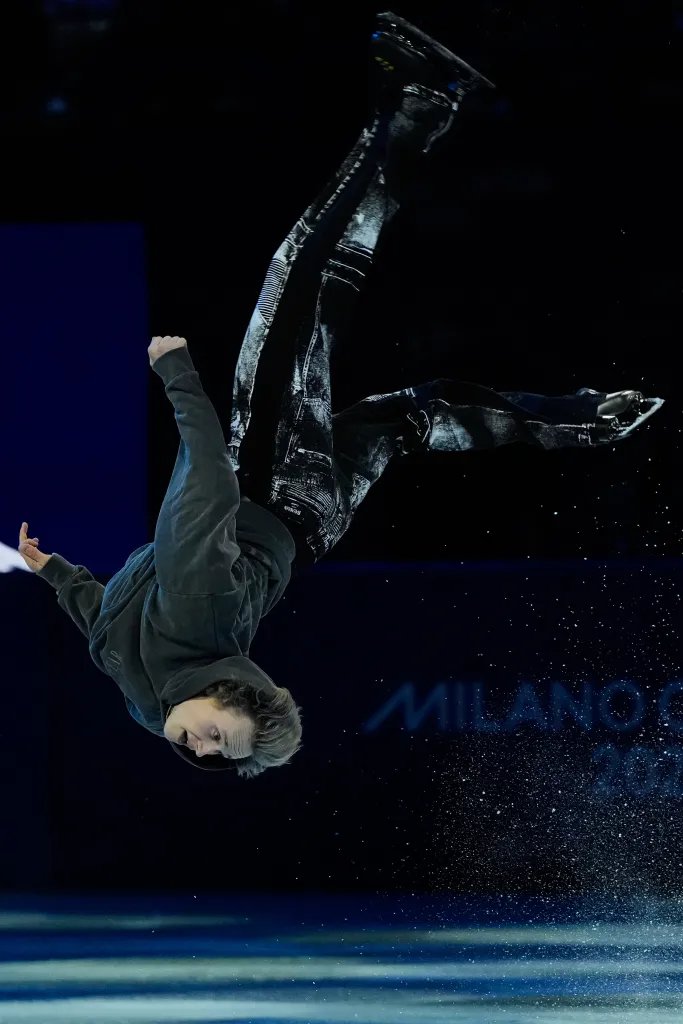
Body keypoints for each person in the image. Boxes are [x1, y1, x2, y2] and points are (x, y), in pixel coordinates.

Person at [19, 11, 663, 778]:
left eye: (208, 754)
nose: (197, 746)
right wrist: (177, 374)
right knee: (303, 281)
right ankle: (421, 103)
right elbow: (208, 485)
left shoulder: (147, 696)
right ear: (230, 694)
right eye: (218, 738)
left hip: (306, 526)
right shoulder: (196, 609)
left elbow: (106, 631)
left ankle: (587, 421)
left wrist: (55, 573)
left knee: (410, 417)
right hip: (268, 482)